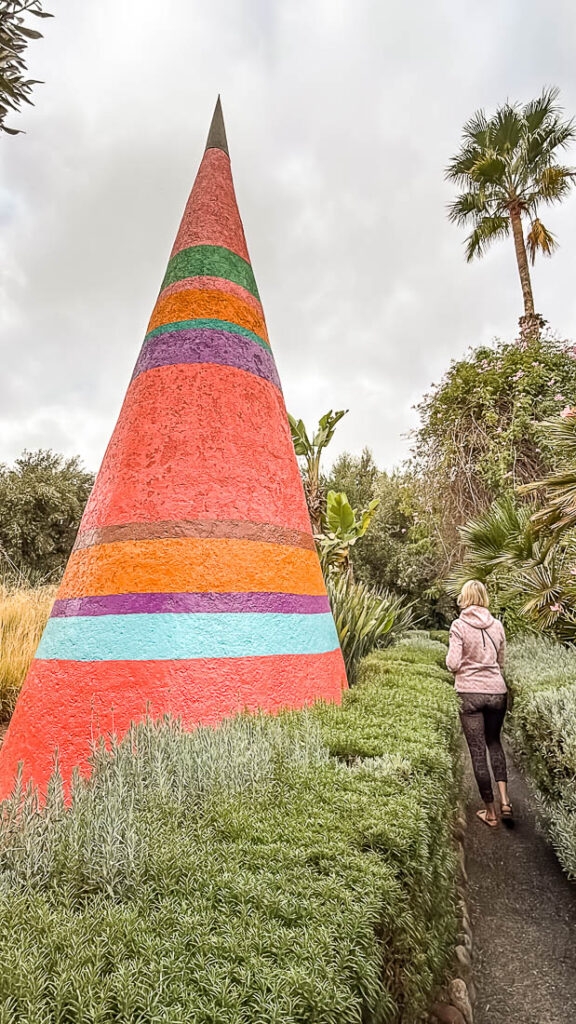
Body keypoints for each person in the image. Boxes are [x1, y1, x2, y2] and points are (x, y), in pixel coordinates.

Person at [446, 580, 513, 828]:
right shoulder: (497, 626)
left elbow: (453, 663)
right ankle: (506, 801)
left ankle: (491, 812)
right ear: (484, 598)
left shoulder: (459, 626)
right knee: (495, 742)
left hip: (469, 694)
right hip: (497, 691)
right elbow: (501, 661)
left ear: (464, 598)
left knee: (477, 752)